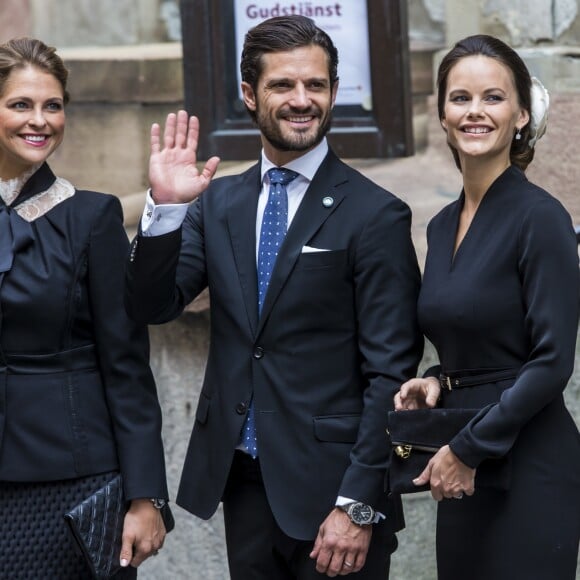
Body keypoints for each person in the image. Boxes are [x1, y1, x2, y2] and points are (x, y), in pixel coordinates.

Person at [125, 15, 423, 580]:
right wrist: (164, 209)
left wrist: (358, 503)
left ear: (335, 92)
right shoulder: (217, 204)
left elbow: (390, 374)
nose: (301, 100)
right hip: (244, 484)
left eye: (316, 85)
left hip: (336, 498)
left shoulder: (377, 215)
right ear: (249, 94)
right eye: (283, 85)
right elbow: (151, 306)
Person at [394, 34, 580, 579]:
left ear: (522, 114)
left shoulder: (541, 219)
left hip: (526, 465)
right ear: (443, 114)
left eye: (493, 98)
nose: (475, 111)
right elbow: (477, 340)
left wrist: (468, 450)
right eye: (460, 98)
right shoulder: (440, 223)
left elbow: (550, 363)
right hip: (462, 462)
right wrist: (436, 379)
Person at [0, 38, 169, 579]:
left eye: (53, 105)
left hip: (74, 482)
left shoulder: (93, 217)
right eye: (21, 104)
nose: (41, 120)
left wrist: (146, 497)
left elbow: (127, 368)